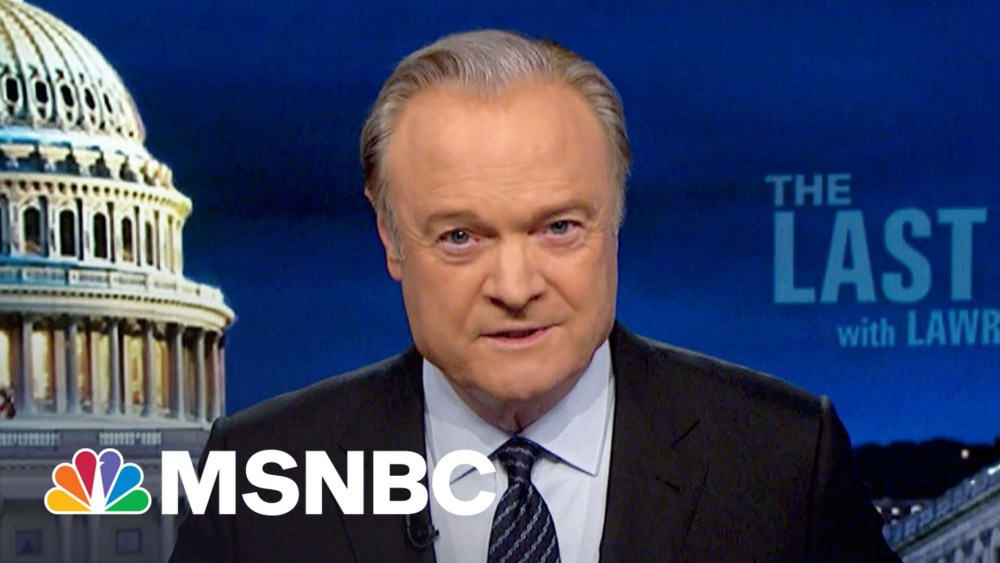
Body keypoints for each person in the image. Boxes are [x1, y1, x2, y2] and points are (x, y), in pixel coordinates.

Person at [171, 30, 900, 562]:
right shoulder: (260, 473)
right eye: (461, 236)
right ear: (390, 236)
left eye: (558, 228)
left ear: (615, 217)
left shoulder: (783, 461)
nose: (515, 288)